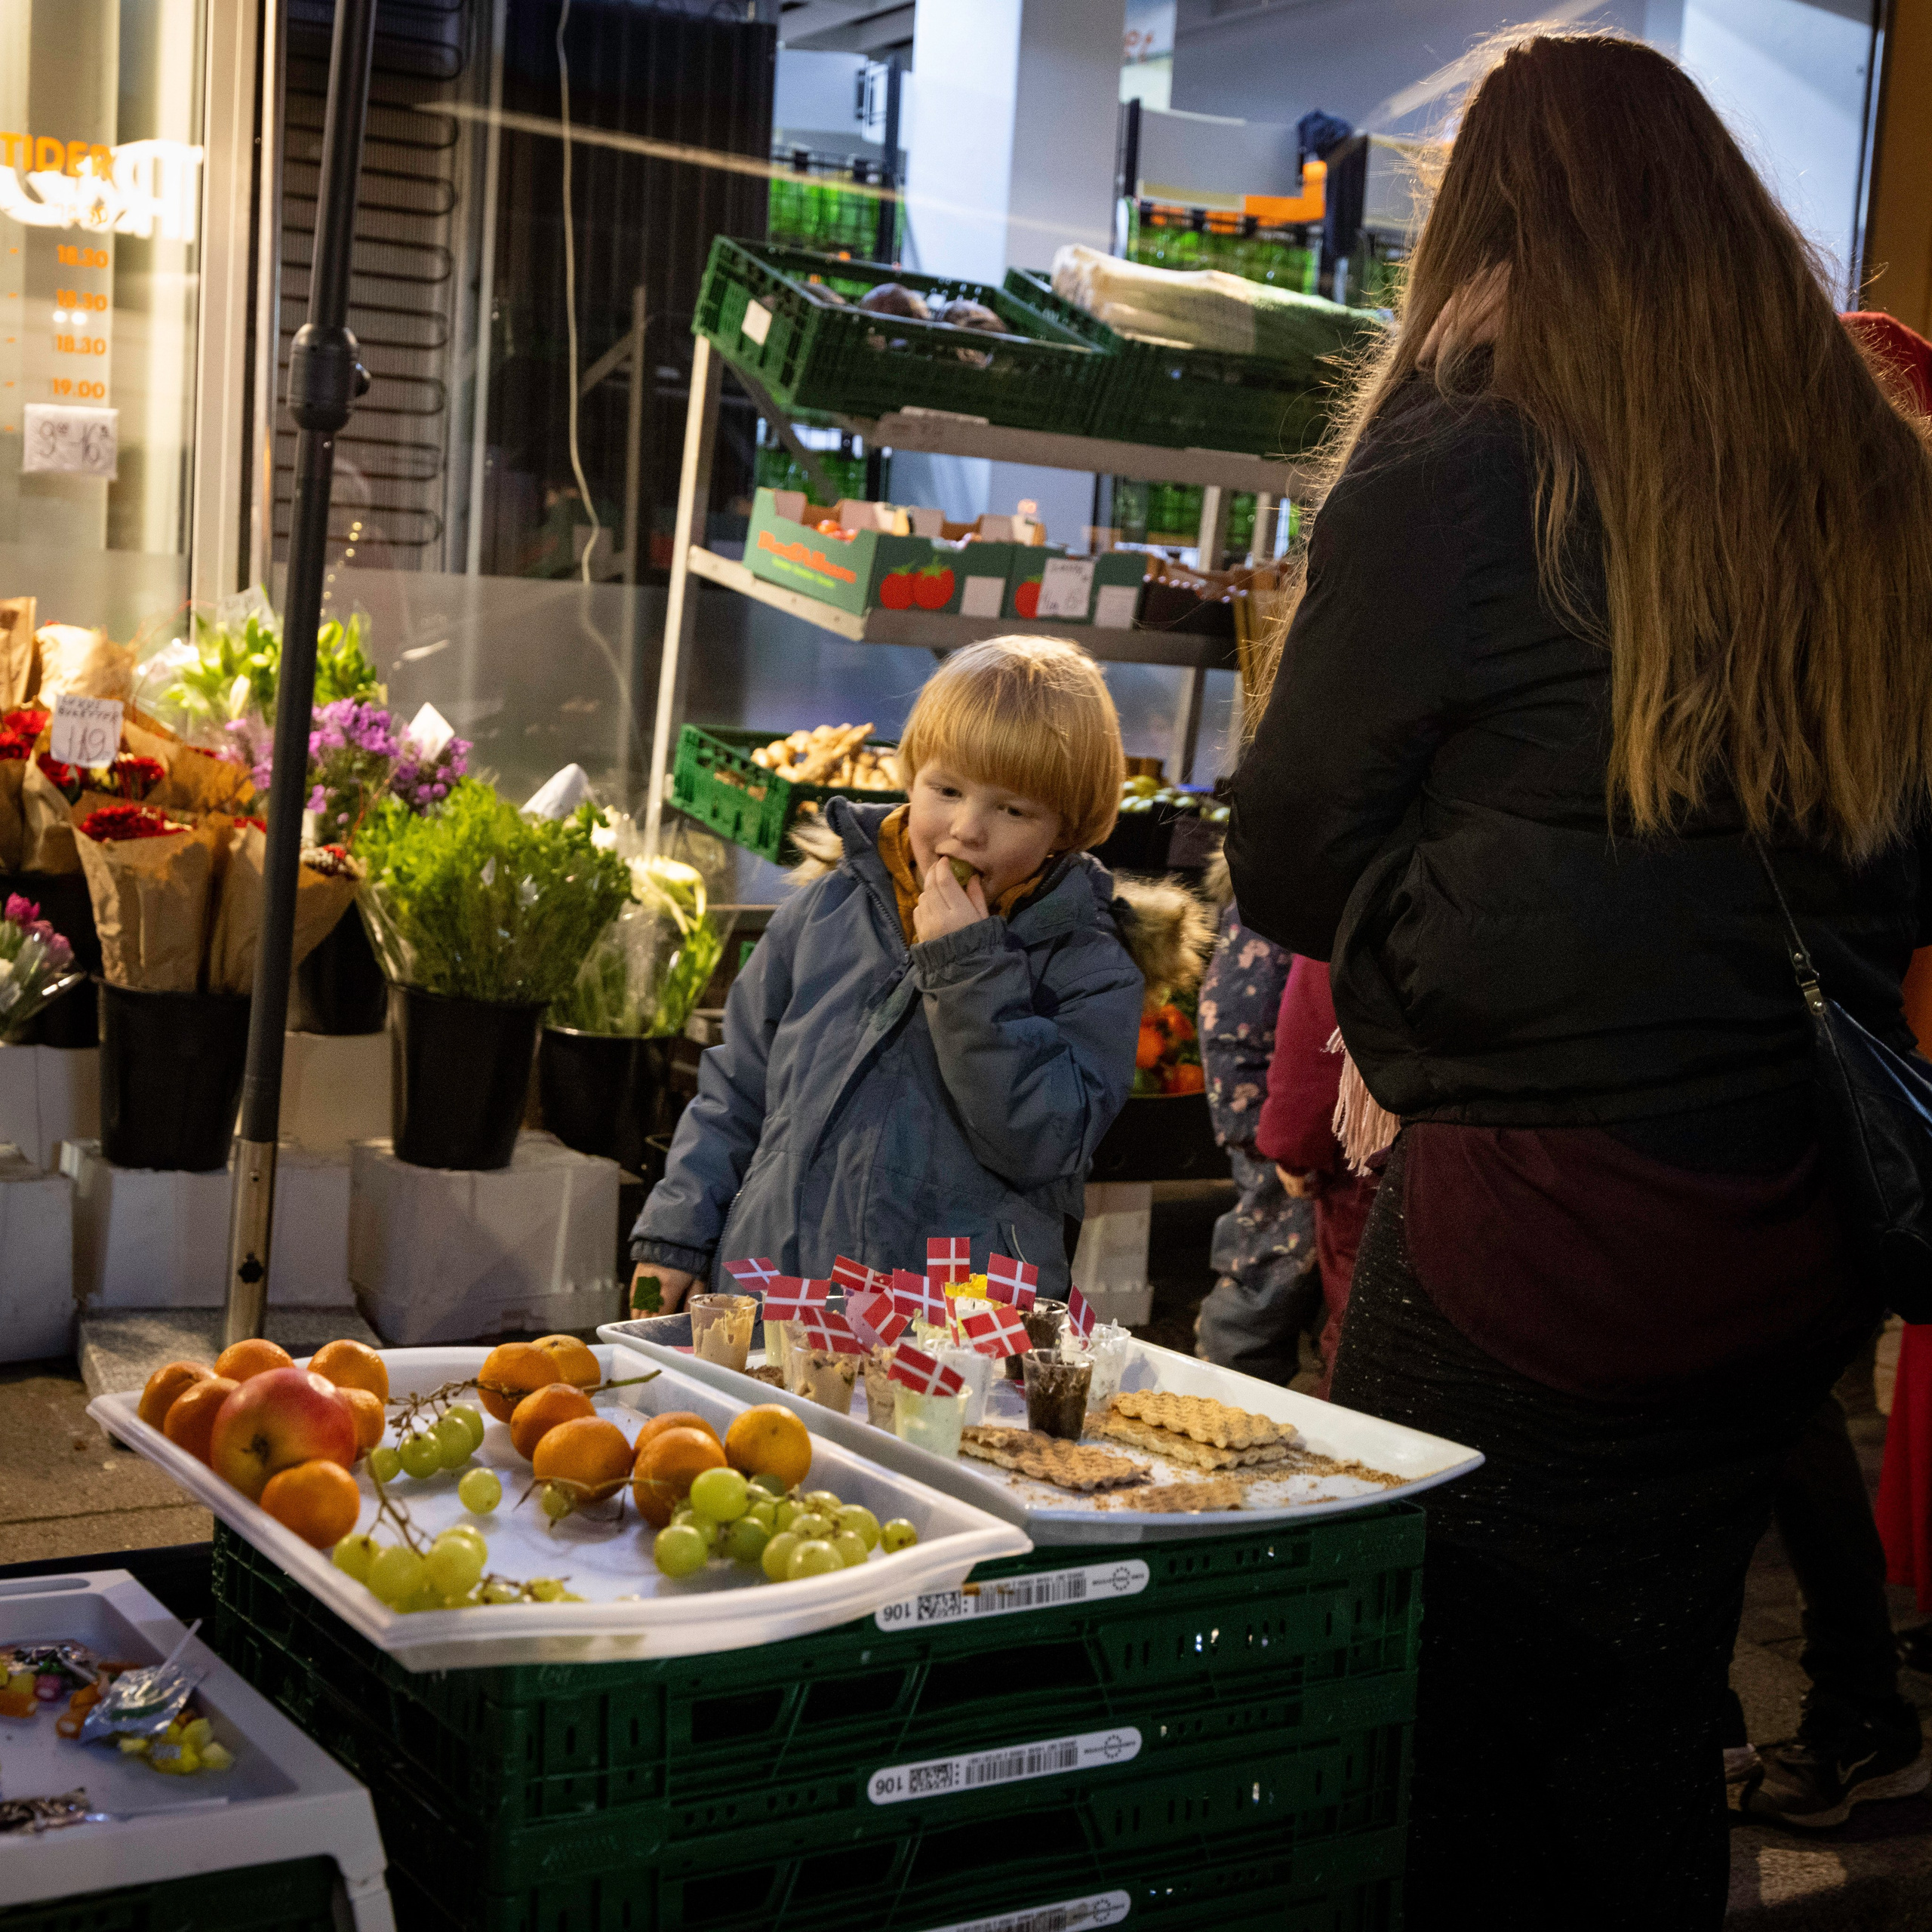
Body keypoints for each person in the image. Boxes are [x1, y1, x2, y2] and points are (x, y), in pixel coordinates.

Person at [1227, 34, 1932, 1929]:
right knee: (1643, 1712)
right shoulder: (1878, 483)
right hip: (1794, 1230)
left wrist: (1407, 978)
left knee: (1439, 1732)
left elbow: (1282, 852)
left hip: (1532, 1231)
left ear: (1488, 226)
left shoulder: (1464, 450)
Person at [629, 635, 1195, 1307]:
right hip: (777, 1292)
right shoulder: (823, 913)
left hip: (958, 1321)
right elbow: (735, 1092)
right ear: (911, 774)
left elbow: (1043, 1141)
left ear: (1066, 829)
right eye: (946, 789)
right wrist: (675, 1239)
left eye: (1012, 809)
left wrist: (967, 970)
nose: (965, 829)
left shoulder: (1090, 964)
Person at [1194, 899, 1319, 1385]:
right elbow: (1231, 1021)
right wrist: (1264, 1128)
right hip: (1281, 1123)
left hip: (1298, 1118)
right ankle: (1224, 1398)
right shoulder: (1279, 896)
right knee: (1266, 1274)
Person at [1253, 955, 1379, 1400]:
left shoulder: (1364, 897)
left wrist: (1292, 1149)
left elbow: (1316, 1038)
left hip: (1372, 1161)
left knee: (1364, 1319)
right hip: (1507, 1155)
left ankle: (1361, 1457)